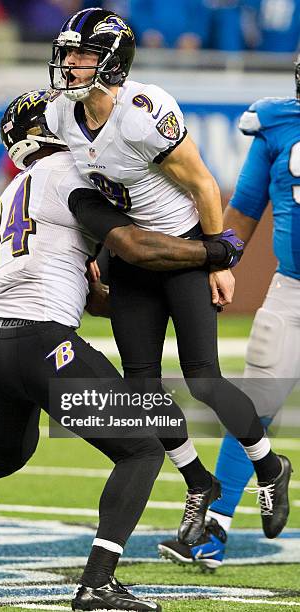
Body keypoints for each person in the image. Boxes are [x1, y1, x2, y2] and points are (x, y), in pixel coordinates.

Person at [0, 91, 244, 612]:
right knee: (143, 447)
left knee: (3, 453)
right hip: (42, 341)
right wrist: (215, 252)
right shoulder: (69, 176)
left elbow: (92, 293)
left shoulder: (13, 192)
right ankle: (98, 583)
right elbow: (134, 245)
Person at [46, 6, 292, 546]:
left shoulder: (143, 110)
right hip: (134, 256)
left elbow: (205, 186)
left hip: (182, 247)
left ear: (112, 61)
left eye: (84, 54)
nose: (71, 63)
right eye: (69, 53)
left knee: (202, 376)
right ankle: (197, 481)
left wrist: (217, 261)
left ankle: (269, 466)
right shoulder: (63, 115)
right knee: (140, 387)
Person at [158, 56, 300, 571]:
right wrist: (219, 261)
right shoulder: (277, 121)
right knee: (254, 406)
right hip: (293, 291)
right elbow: (243, 209)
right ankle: (214, 528)